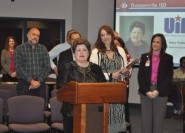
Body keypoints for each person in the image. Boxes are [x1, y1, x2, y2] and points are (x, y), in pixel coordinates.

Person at [57, 38, 106, 133]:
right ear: (74, 53)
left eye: (84, 50)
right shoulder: (67, 67)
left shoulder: (96, 68)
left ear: (88, 52)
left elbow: (103, 87)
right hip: (71, 112)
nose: (81, 52)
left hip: (93, 111)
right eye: (78, 50)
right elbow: (60, 87)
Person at [90, 25, 131, 133]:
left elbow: (125, 69)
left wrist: (126, 72)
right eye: (102, 35)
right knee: (103, 122)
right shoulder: (95, 52)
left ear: (112, 36)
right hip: (103, 90)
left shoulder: (120, 50)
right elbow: (93, 73)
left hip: (117, 90)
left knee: (117, 121)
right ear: (100, 37)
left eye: (107, 34)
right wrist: (110, 75)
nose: (105, 37)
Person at [138, 33, 173, 133]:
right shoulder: (145, 57)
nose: (155, 44)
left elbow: (168, 77)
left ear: (162, 44)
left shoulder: (168, 58)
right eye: (153, 42)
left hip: (160, 92)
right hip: (146, 92)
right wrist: (147, 91)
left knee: (158, 122)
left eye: (158, 42)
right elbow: (141, 76)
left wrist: (157, 91)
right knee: (146, 121)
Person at [14, 28, 51, 100]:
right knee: (24, 107)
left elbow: (47, 67)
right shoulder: (19, 49)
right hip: (24, 84)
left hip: (40, 84)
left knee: (39, 109)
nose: (36, 37)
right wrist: (31, 81)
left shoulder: (43, 49)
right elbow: (18, 68)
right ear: (27, 35)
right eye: (33, 34)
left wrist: (38, 81)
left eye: (38, 35)